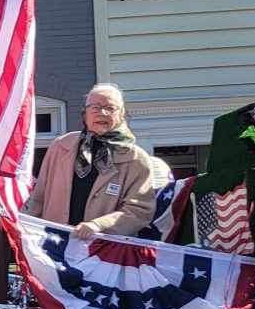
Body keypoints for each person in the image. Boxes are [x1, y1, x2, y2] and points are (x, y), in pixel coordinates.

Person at [25, 83, 172, 238]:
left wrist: (99, 225)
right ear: (85, 113)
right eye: (95, 107)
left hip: (101, 252)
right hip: (54, 245)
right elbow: (38, 198)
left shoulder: (136, 159)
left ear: (121, 114)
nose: (102, 113)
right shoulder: (61, 146)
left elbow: (139, 211)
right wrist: (27, 232)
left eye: (110, 108)